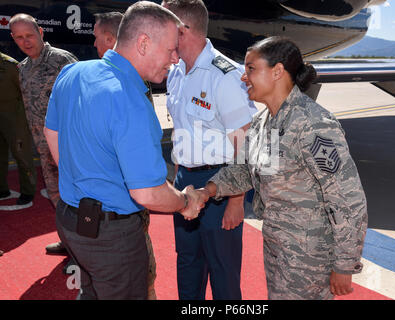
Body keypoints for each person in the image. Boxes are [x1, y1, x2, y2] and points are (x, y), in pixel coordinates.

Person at [44, 1, 208, 300]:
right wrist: (185, 201)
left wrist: (82, 179)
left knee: (90, 293)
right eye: (171, 49)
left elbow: (51, 133)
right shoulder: (132, 102)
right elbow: (146, 193)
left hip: (71, 222)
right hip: (112, 238)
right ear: (143, 43)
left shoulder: (74, 72)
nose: (175, 58)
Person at [200, 36, 368, 300]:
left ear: (278, 72)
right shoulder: (263, 121)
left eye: (251, 69)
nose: (244, 77)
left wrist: (344, 264)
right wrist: (206, 191)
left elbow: (347, 200)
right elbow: (243, 171)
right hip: (278, 250)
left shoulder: (313, 124)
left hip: (309, 260)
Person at [161, 0, 258, 300]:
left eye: (164, 24)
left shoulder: (226, 76)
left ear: (181, 30)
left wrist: (236, 201)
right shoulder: (176, 72)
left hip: (221, 187)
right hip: (184, 182)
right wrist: (179, 174)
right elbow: (181, 130)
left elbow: (246, 146)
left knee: (223, 272)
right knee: (188, 263)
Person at [93, 10, 158, 300]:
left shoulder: (128, 87)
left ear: (109, 39)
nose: (94, 45)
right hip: (116, 211)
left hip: (124, 210)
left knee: (138, 278)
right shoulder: (122, 83)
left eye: (96, 39)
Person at [10, 13, 78, 255]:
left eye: (29, 35)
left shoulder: (62, 60)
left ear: (40, 32)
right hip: (43, 147)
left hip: (67, 148)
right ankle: (68, 242)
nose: (25, 42)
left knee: (76, 199)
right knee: (57, 198)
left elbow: (81, 103)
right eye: (19, 38)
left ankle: (82, 251)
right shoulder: (23, 68)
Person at [0, 51, 36, 208]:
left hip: (15, 119)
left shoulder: (10, 66)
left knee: (22, 156)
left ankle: (28, 191)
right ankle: (2, 189)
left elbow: (26, 92)